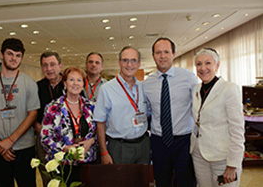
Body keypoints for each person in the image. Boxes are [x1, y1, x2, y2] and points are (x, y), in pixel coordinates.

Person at [0, 38, 40, 187]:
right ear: (1, 55)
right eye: (10, 54)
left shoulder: (29, 83)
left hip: (24, 148)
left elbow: (32, 114)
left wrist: (10, 141)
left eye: (18, 55)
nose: (14, 58)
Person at [143, 37, 197, 187]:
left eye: (166, 52)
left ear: (173, 54)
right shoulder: (147, 84)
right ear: (153, 56)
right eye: (158, 52)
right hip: (158, 141)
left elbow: (198, 107)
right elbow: (147, 110)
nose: (162, 56)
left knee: (186, 181)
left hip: (184, 140)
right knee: (162, 181)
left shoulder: (188, 78)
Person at [190, 48, 245, 187]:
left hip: (222, 157)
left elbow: (237, 129)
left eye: (208, 63)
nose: (203, 68)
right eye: (198, 64)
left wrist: (233, 164)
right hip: (199, 153)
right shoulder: (196, 89)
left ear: (217, 65)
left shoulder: (229, 89)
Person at [40, 67, 97, 184]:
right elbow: (45, 138)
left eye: (79, 80)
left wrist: (91, 141)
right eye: (71, 80)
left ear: (83, 84)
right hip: (64, 165)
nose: (75, 83)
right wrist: (65, 148)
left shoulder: (91, 107)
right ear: (65, 83)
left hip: (89, 163)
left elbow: (101, 133)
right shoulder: (53, 107)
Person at [94, 46, 150, 164]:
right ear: (119, 62)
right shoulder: (106, 89)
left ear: (139, 64)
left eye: (134, 60)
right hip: (119, 147)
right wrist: (104, 152)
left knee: (142, 181)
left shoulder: (143, 87)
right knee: (120, 182)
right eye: (125, 60)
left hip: (143, 145)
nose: (129, 65)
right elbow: (100, 122)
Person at [34, 51, 64, 186]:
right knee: (48, 176)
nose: (49, 69)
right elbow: (31, 112)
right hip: (43, 139)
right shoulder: (37, 87)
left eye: (52, 64)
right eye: (45, 65)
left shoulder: (70, 83)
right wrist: (37, 126)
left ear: (60, 66)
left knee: (66, 175)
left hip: (66, 139)